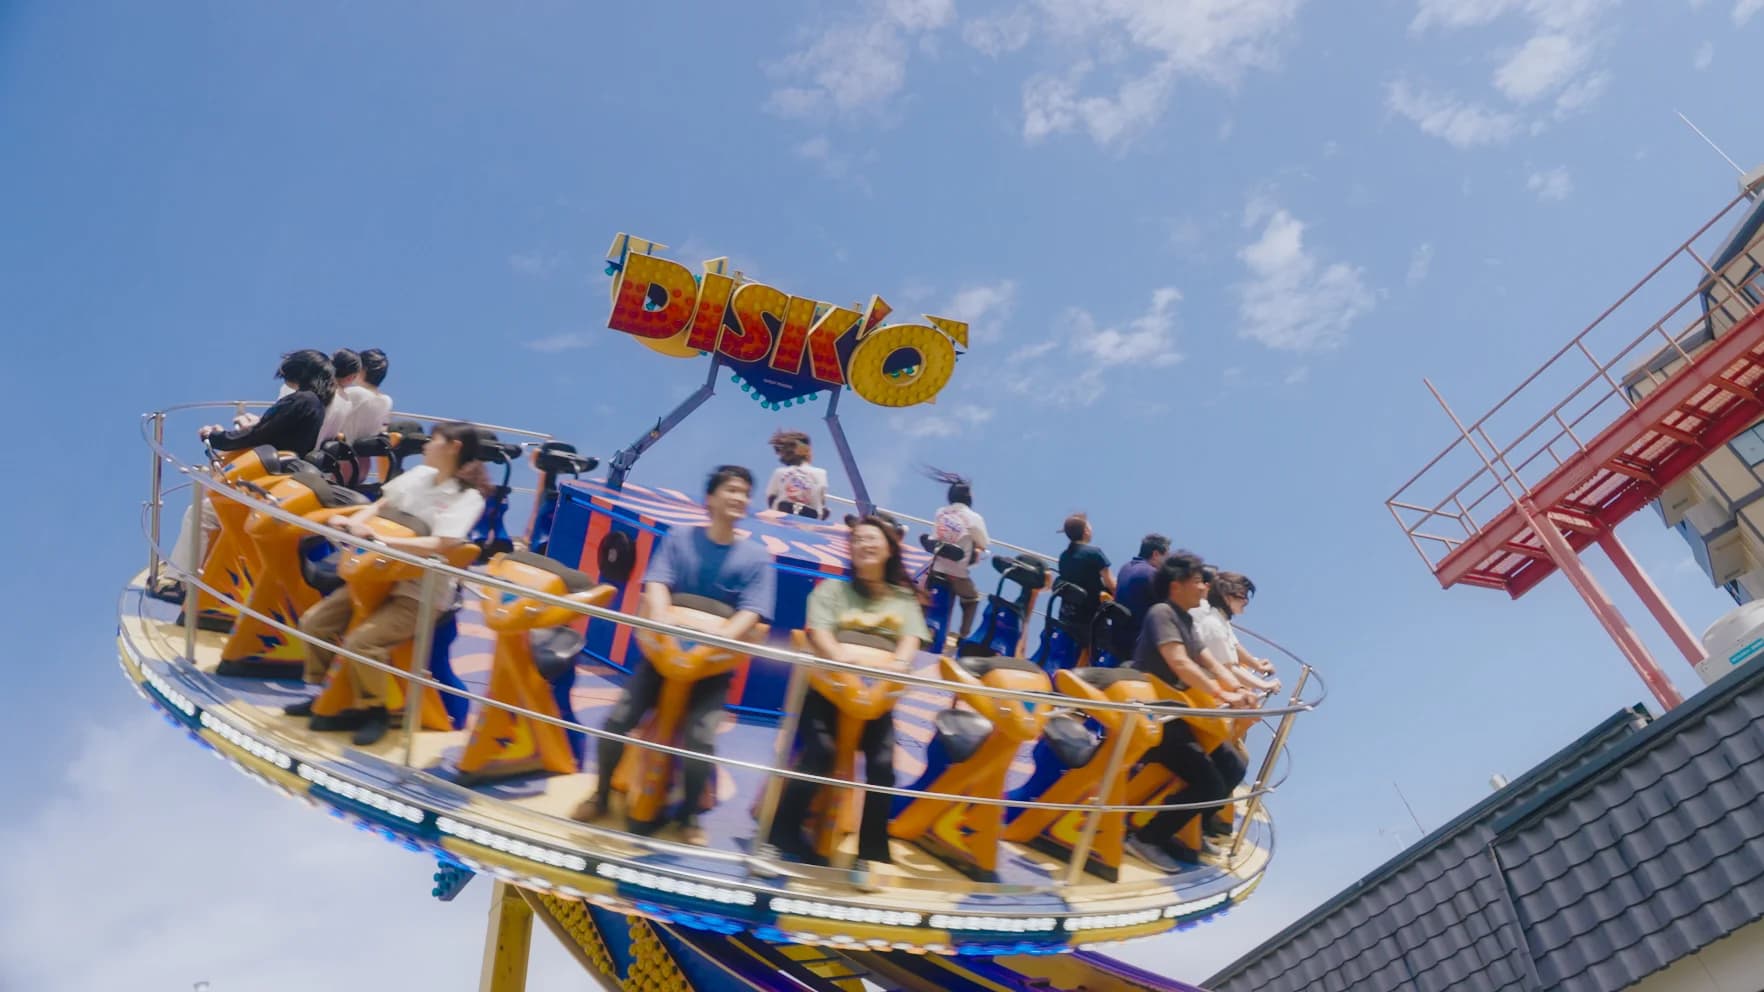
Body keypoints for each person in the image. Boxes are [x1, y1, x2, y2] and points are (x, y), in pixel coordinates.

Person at [575, 466, 775, 842]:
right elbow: (658, 584)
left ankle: (688, 818)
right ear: (711, 498)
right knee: (619, 718)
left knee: (701, 735)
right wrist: (664, 622)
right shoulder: (680, 539)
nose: (738, 498)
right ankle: (600, 795)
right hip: (664, 653)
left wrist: (718, 639)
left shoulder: (756, 559)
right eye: (731, 490)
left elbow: (752, 612)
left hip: (713, 665)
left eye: (745, 493)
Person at [285, 421, 491, 746]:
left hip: (417, 593)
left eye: (434, 440)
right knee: (314, 624)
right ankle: (330, 693)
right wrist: (353, 522)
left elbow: (443, 544)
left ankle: (374, 710)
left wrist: (381, 540)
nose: (426, 445)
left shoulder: (468, 498)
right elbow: (381, 505)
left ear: (453, 447)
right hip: (376, 576)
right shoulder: (419, 476)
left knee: (362, 643)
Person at [767, 514, 928, 867]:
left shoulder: (904, 600)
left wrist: (895, 668)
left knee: (883, 766)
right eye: (857, 540)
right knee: (821, 752)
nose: (864, 545)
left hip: (875, 697)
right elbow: (821, 634)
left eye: (872, 539)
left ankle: (872, 849)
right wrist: (845, 662)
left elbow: (908, 644)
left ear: (889, 549)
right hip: (830, 691)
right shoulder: (832, 591)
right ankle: (781, 833)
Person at [153, 350, 336, 602]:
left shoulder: (301, 400)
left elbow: (259, 436)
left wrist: (216, 437)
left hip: (263, 478)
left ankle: (181, 583)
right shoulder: (316, 403)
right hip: (282, 479)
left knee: (200, 514)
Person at [1126, 551, 1257, 872]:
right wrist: (1222, 692)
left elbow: (1210, 662)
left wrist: (1238, 691)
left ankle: (1183, 827)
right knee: (1209, 782)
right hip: (1156, 715)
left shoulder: (1185, 619)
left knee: (1234, 767)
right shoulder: (1161, 613)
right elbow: (1181, 663)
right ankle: (1146, 838)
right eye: (1198, 582)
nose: (1204, 589)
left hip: (1178, 712)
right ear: (1176, 585)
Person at [923, 468, 988, 646]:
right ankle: (963, 636)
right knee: (972, 598)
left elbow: (934, 537)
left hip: (935, 569)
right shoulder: (974, 518)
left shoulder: (940, 512)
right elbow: (984, 542)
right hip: (957, 573)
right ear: (969, 498)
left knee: (923, 595)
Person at [1055, 513, 1115, 656]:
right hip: (1091, 619)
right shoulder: (1095, 553)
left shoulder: (1064, 556)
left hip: (1068, 617)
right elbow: (1111, 584)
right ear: (1086, 531)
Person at [1110, 533, 1169, 660]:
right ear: (1156, 554)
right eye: (1166, 556)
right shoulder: (1151, 574)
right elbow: (1170, 607)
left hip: (1118, 640)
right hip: (1138, 645)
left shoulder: (1125, 568)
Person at [765, 429, 828, 519]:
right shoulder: (821, 473)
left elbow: (771, 498)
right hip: (810, 521)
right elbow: (821, 502)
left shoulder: (779, 473)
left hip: (781, 519)